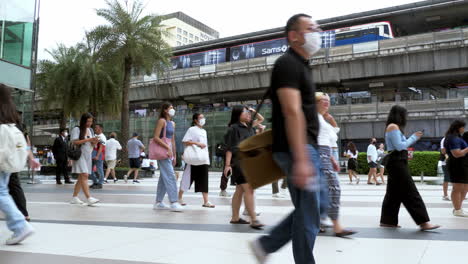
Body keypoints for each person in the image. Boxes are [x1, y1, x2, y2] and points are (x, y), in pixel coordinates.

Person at [250, 14, 328, 263]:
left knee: (318, 205)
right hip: (299, 149)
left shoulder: (301, 65)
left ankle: (266, 244)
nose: (317, 32)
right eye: (310, 28)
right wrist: (303, 157)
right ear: (294, 35)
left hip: (306, 148)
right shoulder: (287, 64)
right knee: (311, 210)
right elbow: (291, 111)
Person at [380, 105, 440, 230]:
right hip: (397, 162)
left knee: (393, 193)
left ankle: (388, 221)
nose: (405, 118)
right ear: (400, 115)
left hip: (398, 161)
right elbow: (400, 146)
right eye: (404, 115)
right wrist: (414, 137)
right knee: (410, 191)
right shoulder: (393, 127)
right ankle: (424, 222)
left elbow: (400, 145)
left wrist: (412, 138)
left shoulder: (394, 127)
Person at [0, 84, 38, 244]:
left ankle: (20, 225)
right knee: (2, 192)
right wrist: (30, 157)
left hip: (2, 160)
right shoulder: (10, 117)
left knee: (1, 193)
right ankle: (19, 224)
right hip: (7, 162)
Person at [316, 92, 356, 237]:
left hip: (326, 155)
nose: (326, 102)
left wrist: (332, 159)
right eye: (322, 100)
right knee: (333, 188)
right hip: (319, 155)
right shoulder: (313, 118)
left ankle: (322, 221)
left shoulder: (321, 119)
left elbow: (330, 138)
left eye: (328, 100)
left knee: (325, 190)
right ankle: (333, 225)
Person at [224, 105, 264, 229]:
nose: (248, 114)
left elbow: (261, 119)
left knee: (240, 190)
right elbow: (230, 148)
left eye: (248, 112)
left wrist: (253, 111)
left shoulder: (250, 126)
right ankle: (254, 219)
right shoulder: (233, 128)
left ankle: (235, 218)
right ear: (238, 115)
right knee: (249, 189)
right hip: (239, 162)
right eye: (245, 112)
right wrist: (227, 165)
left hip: (249, 162)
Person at [178, 113, 215, 208]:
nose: (203, 119)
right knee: (187, 178)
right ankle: (179, 197)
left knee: (204, 179)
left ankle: (206, 201)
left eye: (203, 117)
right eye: (201, 118)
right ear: (195, 120)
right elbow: (185, 141)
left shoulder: (204, 131)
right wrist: (197, 143)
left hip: (203, 158)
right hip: (193, 159)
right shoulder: (191, 129)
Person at [153, 103, 183, 212]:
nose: (173, 109)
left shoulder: (172, 123)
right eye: (170, 108)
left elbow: (172, 140)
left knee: (163, 178)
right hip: (163, 152)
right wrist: (167, 148)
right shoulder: (162, 121)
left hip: (169, 153)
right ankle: (174, 202)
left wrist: (174, 154)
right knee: (171, 176)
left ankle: (158, 202)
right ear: (165, 110)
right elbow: (156, 137)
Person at [70, 113, 100, 206]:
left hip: (88, 155)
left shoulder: (90, 130)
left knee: (81, 177)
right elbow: (74, 142)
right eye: (88, 121)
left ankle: (75, 197)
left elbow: (91, 145)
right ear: (83, 121)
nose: (90, 123)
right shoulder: (77, 129)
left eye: (91, 121)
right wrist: (88, 139)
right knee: (84, 175)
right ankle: (88, 198)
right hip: (79, 155)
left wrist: (94, 142)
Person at [444, 120, 468, 217]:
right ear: (458, 127)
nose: (464, 129)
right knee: (457, 187)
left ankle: (458, 208)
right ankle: (457, 209)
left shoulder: (457, 137)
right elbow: (457, 154)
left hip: (463, 164)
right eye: (462, 127)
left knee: (465, 187)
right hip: (457, 165)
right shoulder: (453, 138)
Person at [90, 124, 106, 189]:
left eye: (96, 127)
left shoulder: (102, 137)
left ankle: (100, 183)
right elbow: (92, 144)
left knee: (99, 169)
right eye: (95, 127)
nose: (95, 129)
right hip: (93, 153)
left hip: (99, 154)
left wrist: (97, 155)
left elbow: (101, 147)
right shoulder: (95, 136)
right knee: (90, 169)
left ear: (100, 129)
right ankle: (95, 182)